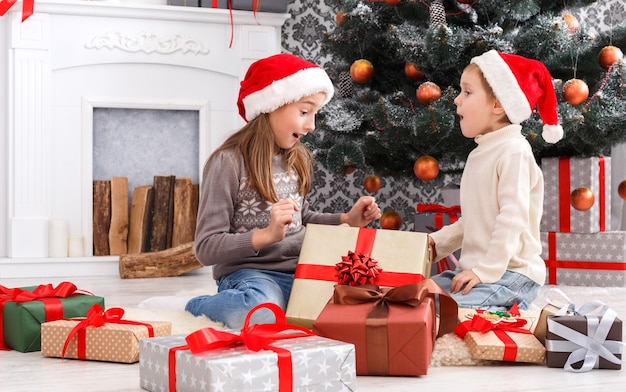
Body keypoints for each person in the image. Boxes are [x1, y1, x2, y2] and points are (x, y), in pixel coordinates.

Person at [139, 53, 381, 329]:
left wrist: (346, 220)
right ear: (270, 106)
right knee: (258, 312)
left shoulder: (298, 158)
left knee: (360, 301)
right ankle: (192, 306)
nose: (311, 125)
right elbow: (206, 248)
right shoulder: (227, 163)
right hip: (251, 275)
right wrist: (265, 236)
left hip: (302, 270)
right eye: (304, 112)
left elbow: (302, 219)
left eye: (315, 114)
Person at [428, 50, 564, 311]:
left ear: (498, 104)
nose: (457, 100)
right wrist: (436, 243)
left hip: (512, 274)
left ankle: (512, 307)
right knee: (419, 298)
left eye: (467, 92)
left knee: (445, 311)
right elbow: (475, 221)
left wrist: (485, 271)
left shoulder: (514, 150)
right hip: (479, 271)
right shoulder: (480, 153)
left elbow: (512, 218)